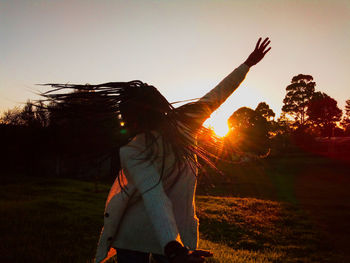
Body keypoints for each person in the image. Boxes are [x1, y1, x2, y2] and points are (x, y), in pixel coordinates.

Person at [44, 37, 271, 263]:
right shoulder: (135, 149)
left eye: (128, 117)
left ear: (143, 115)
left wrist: (246, 66)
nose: (125, 122)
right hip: (135, 236)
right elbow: (155, 198)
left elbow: (217, 94)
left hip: (165, 240)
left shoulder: (180, 125)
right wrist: (175, 249)